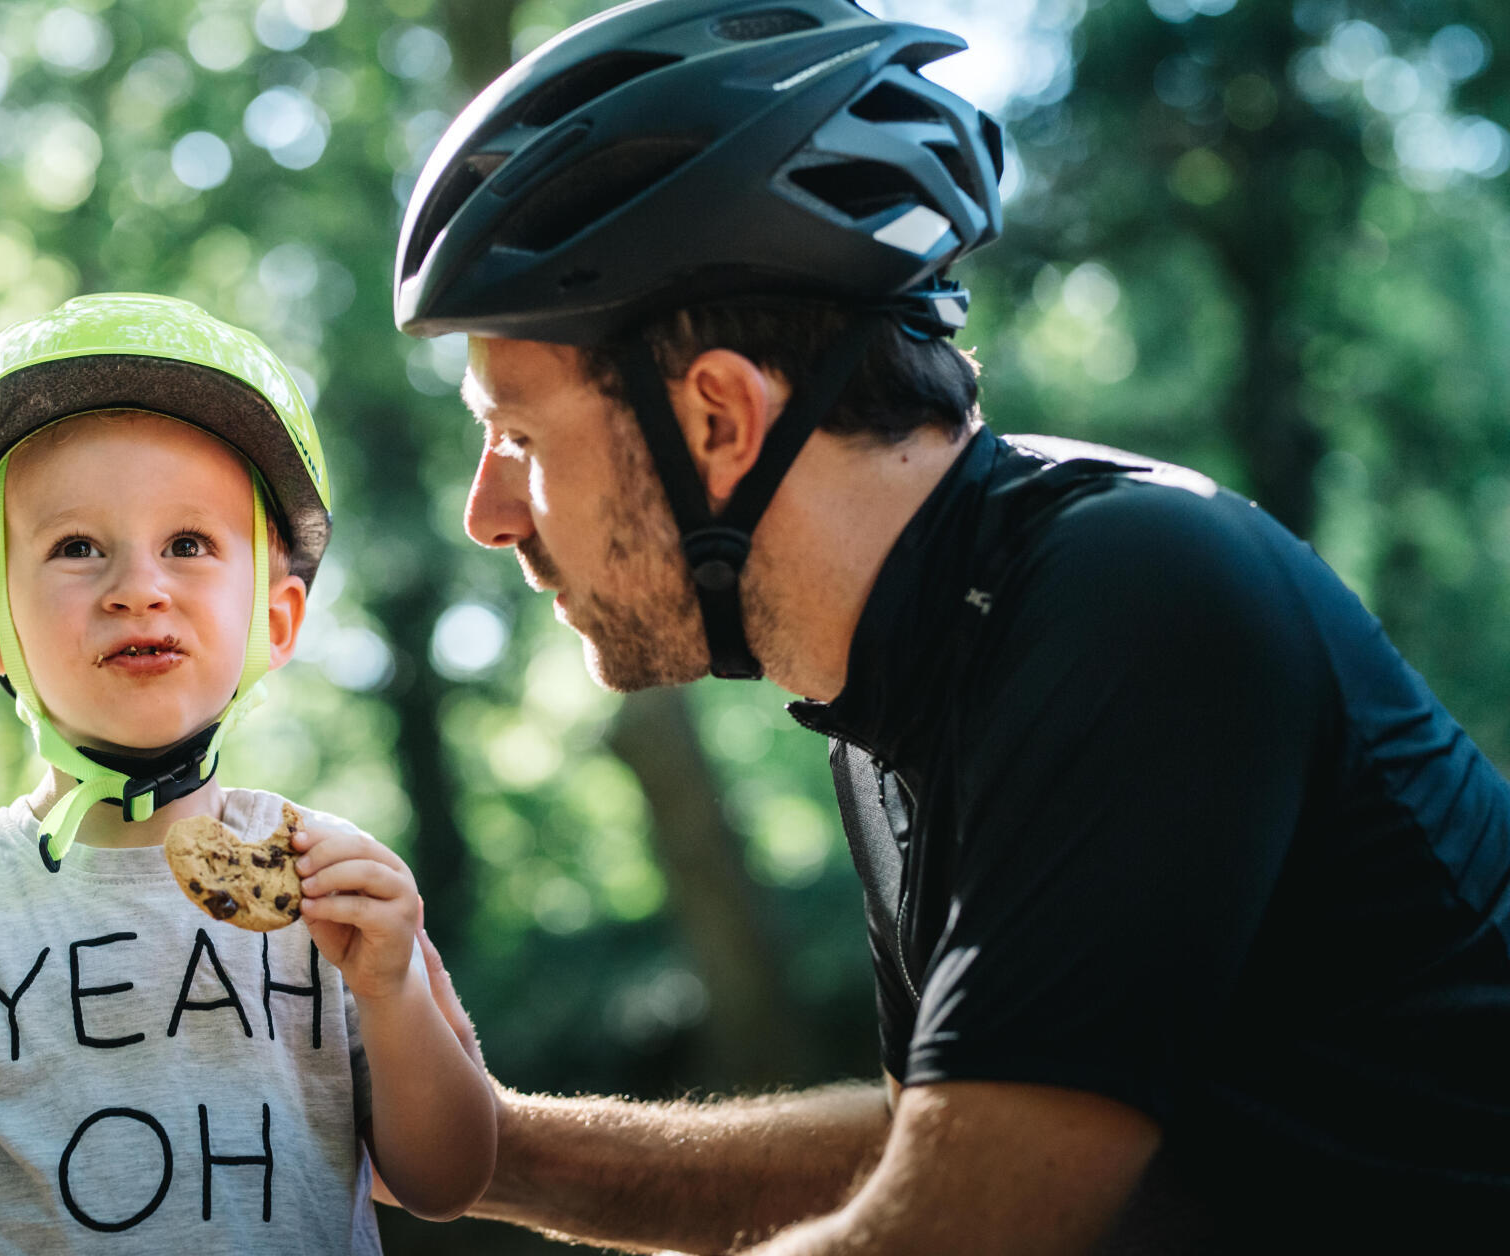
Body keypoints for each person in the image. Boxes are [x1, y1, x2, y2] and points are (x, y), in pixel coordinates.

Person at [391, 1, 1510, 1250]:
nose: (488, 513)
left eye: (519, 436)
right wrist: (462, 1138)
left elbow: (951, 1232)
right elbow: (933, 1144)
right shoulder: (907, 686)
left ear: (716, 419)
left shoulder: (1134, 595)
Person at [0, 293, 496, 1253]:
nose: (140, 587)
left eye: (189, 544)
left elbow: (449, 1180)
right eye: (77, 548)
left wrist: (392, 991)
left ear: (278, 620)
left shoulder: (330, 885)